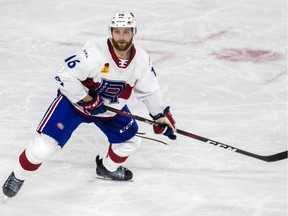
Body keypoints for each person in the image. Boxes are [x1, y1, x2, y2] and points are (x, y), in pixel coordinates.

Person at [2, 11, 177, 199]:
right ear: (111, 32)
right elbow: (63, 74)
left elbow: (150, 91)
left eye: (126, 32)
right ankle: (18, 176)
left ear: (134, 32)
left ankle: (107, 169)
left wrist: (160, 117)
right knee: (42, 148)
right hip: (74, 104)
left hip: (110, 109)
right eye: (117, 32)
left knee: (130, 141)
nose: (121, 37)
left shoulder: (142, 61)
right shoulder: (94, 52)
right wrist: (87, 99)